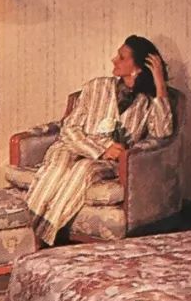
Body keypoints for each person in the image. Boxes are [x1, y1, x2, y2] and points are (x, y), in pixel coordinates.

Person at [26, 35, 172, 246]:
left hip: (106, 163)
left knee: (82, 170)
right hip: (72, 147)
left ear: (138, 67)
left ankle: (38, 238)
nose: (114, 60)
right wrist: (102, 149)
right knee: (58, 168)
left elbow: (163, 132)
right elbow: (69, 128)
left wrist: (160, 84)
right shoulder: (96, 87)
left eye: (122, 57)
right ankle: (23, 229)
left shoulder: (147, 102)